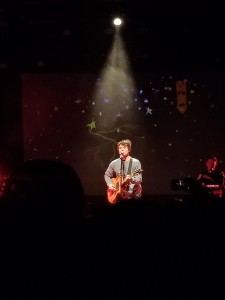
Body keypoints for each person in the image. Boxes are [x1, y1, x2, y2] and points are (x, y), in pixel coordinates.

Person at [104, 139, 142, 204]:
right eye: (120, 148)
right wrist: (110, 184)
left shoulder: (136, 162)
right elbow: (107, 175)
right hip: (120, 195)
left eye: (124, 148)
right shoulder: (114, 163)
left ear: (129, 150)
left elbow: (139, 178)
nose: (122, 149)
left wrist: (131, 179)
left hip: (132, 194)